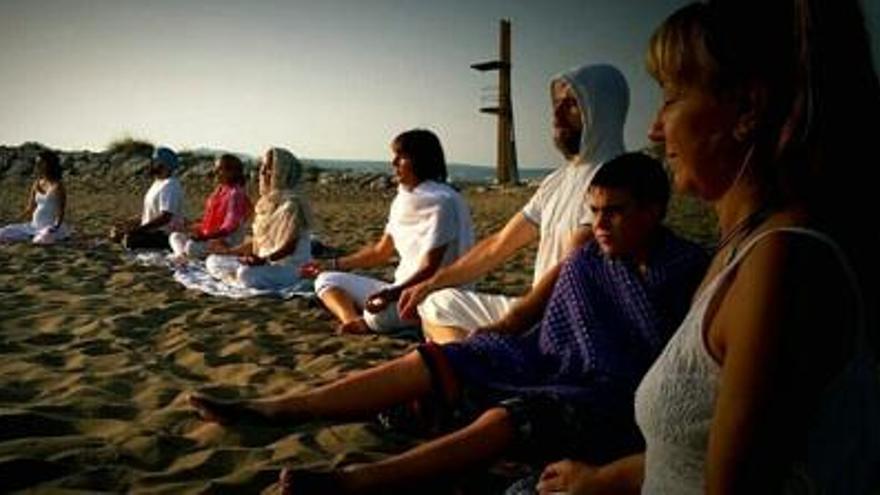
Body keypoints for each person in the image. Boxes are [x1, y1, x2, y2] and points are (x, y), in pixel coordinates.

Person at [188, 152, 709, 494]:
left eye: (614, 212)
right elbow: (530, 310)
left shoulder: (686, 269)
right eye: (594, 212)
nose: (600, 225)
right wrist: (489, 338)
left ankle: (355, 483)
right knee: (435, 357)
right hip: (545, 357)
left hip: (610, 394)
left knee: (508, 417)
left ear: (655, 210)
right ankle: (271, 409)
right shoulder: (586, 258)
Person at [532, 1, 880, 494]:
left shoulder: (782, 264)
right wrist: (600, 478)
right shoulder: (741, 251)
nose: (654, 130)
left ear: (747, 110)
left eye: (671, 98)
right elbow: (692, 454)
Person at [398, 63, 629, 343]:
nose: (556, 115)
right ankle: (468, 366)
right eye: (556, 104)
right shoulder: (557, 180)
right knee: (436, 302)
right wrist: (430, 283)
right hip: (533, 312)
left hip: (570, 324)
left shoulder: (615, 178)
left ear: (601, 112)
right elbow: (499, 245)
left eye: (571, 105)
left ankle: (467, 367)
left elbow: (569, 271)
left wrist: (510, 323)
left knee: (449, 329)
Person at [299, 129, 474, 335]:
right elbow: (381, 251)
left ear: (420, 161)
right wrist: (331, 264)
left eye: (401, 157)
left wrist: (391, 295)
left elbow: (430, 269)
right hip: (401, 288)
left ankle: (379, 319)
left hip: (432, 294)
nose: (394, 163)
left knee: (377, 316)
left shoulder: (443, 201)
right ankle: (354, 320)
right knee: (326, 279)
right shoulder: (403, 199)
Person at [204, 147, 312, 290]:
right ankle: (239, 277)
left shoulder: (292, 204)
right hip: (265, 263)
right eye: (263, 168)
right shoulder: (267, 203)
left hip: (290, 268)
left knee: (246, 274)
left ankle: (240, 279)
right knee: (214, 260)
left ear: (283, 172)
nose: (262, 173)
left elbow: (289, 248)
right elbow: (257, 243)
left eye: (269, 169)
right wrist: (229, 252)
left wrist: (263, 260)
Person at [169, 154, 252, 260]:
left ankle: (184, 256)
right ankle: (182, 256)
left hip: (226, 241)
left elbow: (228, 228)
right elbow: (208, 222)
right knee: (175, 236)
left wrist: (205, 237)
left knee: (192, 247)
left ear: (231, 172)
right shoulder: (220, 190)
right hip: (210, 237)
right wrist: (189, 227)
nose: (215, 173)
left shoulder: (236, 194)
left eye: (219, 170)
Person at [109, 146, 185, 250]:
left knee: (130, 239)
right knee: (116, 231)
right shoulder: (158, 183)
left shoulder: (171, 185)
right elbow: (151, 213)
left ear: (163, 164)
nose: (151, 164)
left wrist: (138, 230)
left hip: (164, 235)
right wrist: (129, 223)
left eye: (154, 161)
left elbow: (165, 217)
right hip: (151, 231)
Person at [0, 150, 70, 244]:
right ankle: (30, 236)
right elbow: (30, 208)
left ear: (49, 165)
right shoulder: (37, 183)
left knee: (42, 239)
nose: (37, 166)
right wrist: (14, 220)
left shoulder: (58, 186)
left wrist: (55, 227)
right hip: (33, 226)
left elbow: (61, 211)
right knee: (3, 232)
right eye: (37, 163)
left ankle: (37, 237)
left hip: (49, 227)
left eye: (41, 163)